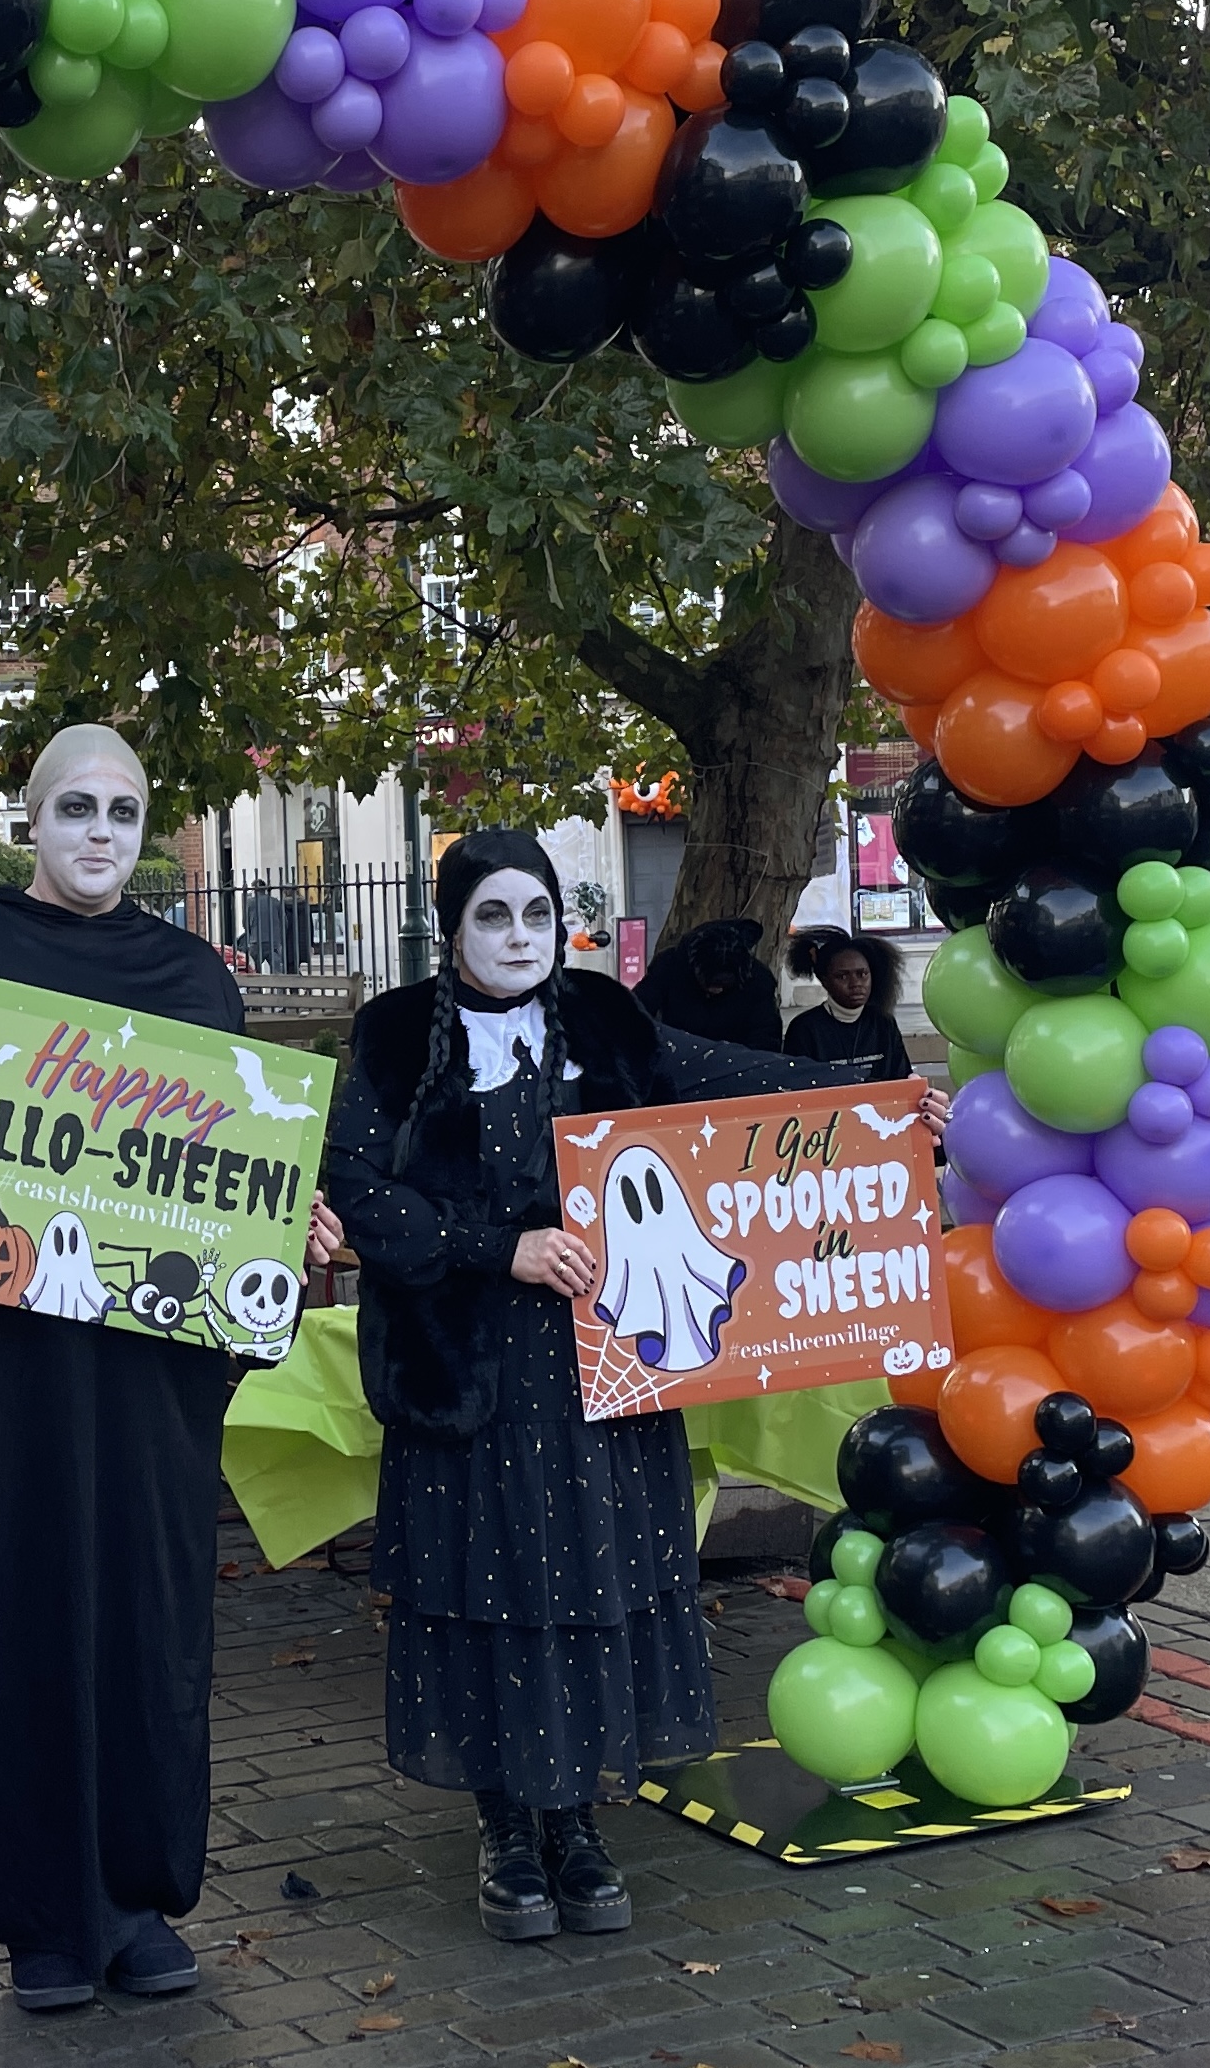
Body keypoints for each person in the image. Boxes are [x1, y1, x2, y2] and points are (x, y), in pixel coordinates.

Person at [0, 725, 341, 2012]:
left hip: (140, 1375)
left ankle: (137, 1896)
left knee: (148, 1619)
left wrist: (295, 1221)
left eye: (124, 811)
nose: (100, 831)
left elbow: (234, 1167)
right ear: (30, 819)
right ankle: (40, 1916)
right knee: (4, 1610)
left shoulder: (189, 973)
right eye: (76, 807)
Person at [325, 831, 946, 1944]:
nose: (516, 939)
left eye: (533, 915)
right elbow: (352, 1186)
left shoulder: (605, 1019)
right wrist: (489, 1247)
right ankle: (506, 1822)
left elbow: (730, 1080)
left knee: (586, 1576)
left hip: (601, 1365)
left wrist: (879, 1099)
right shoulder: (387, 1035)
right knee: (493, 1585)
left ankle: (576, 1818)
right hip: (467, 1366)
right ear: (452, 925)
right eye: (490, 917)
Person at [782, 926, 913, 1083]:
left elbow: (902, 1080)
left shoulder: (883, 1023)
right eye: (843, 976)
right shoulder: (805, 1029)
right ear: (824, 980)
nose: (856, 984)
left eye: (862, 974)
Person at [634, 914, 784, 1051]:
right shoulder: (670, 966)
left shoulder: (759, 980)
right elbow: (638, 1009)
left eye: (725, 986)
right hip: (677, 1053)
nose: (717, 990)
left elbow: (765, 1034)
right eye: (711, 984)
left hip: (734, 1060)